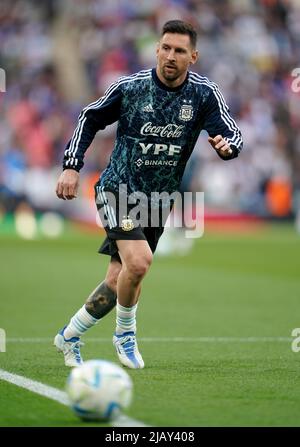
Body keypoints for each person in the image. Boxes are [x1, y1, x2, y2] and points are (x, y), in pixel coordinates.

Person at [54, 20, 243, 369]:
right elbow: (89, 117)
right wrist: (71, 165)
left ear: (194, 56)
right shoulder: (132, 87)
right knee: (139, 262)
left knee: (119, 279)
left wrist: (228, 146)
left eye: (180, 51)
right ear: (156, 49)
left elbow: (231, 133)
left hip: (157, 202)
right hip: (118, 189)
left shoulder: (203, 94)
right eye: (166, 48)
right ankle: (125, 335)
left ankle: (69, 335)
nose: (171, 56)